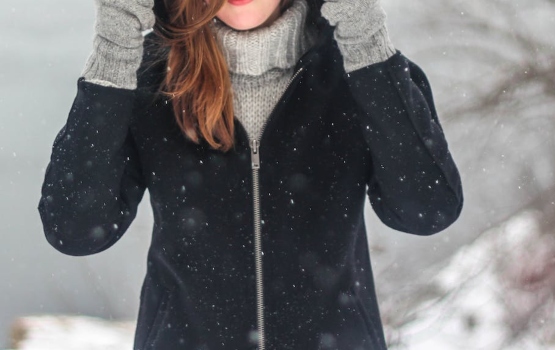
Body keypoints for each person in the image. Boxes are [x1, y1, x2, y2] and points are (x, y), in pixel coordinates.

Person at [37, 0, 464, 348]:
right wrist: (116, 44)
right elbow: (75, 229)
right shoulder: (149, 77)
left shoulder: (360, 70)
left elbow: (427, 211)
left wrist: (363, 29)